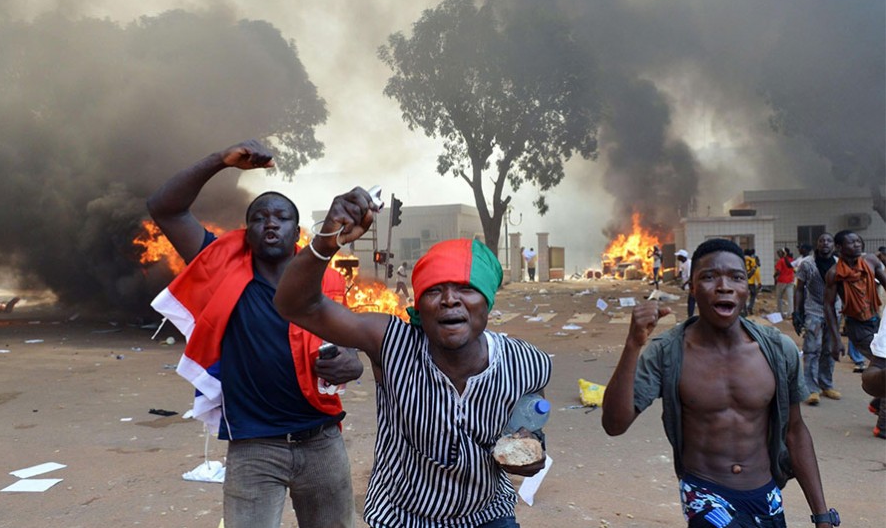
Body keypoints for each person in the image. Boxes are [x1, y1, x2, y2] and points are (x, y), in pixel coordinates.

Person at [274, 187, 552, 528]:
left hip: (488, 515)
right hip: (402, 517)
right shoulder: (390, 342)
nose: (450, 300)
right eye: (434, 290)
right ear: (419, 305)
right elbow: (295, 305)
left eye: (466, 288)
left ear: (487, 302)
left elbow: (530, 426)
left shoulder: (527, 364)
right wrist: (327, 239)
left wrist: (531, 450)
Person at [147, 140, 363, 528]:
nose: (270, 222)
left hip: (321, 442)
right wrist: (219, 160)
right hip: (254, 449)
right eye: (260, 217)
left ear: (296, 231)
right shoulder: (220, 268)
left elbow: (348, 346)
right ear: (247, 231)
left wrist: (351, 362)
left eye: (280, 217)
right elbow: (165, 208)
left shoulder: (325, 282)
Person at [602, 238, 836, 528]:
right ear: (692, 288)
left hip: (765, 493)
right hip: (705, 494)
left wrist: (822, 515)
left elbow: (796, 431)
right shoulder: (667, 351)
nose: (724, 286)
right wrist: (632, 346)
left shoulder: (778, 349)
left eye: (736, 277)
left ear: (746, 288)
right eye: (709, 277)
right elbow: (614, 424)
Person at [824, 230, 886, 439]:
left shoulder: (870, 262)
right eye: (852, 243)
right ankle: (883, 425)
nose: (857, 245)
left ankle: (877, 402)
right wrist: (835, 340)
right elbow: (829, 307)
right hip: (858, 328)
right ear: (840, 248)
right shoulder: (834, 273)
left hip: (877, 322)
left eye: (859, 241)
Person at [793, 233, 840, 405]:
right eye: (821, 241)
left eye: (829, 241)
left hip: (834, 311)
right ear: (817, 244)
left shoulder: (839, 263)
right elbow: (799, 289)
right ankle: (811, 389)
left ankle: (826, 384)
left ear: (834, 245)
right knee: (812, 350)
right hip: (813, 310)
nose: (825, 243)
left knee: (829, 349)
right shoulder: (807, 264)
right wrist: (796, 312)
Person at [774, 248, 795, 319]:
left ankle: (780, 313)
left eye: (779, 253)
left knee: (779, 297)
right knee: (790, 298)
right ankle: (790, 313)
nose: (778, 254)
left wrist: (774, 276)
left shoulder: (780, 261)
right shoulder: (792, 260)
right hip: (790, 280)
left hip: (782, 281)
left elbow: (778, 271)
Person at [676, 249, 694, 317]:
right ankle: (690, 315)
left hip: (692, 284)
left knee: (691, 300)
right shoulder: (682, 262)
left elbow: (691, 277)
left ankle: (690, 316)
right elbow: (681, 271)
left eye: (678, 256)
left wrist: (684, 285)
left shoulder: (689, 264)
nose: (677, 257)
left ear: (682, 256)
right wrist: (678, 276)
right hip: (688, 284)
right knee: (691, 301)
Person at [744, 249, 762, 316]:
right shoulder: (753, 260)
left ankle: (744, 309)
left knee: (743, 296)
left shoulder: (741, 260)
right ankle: (750, 307)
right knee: (753, 295)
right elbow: (756, 272)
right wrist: (759, 282)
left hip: (744, 281)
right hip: (751, 282)